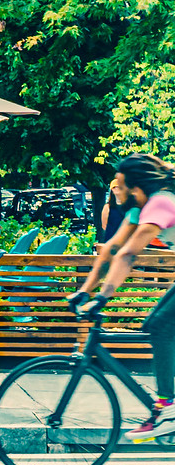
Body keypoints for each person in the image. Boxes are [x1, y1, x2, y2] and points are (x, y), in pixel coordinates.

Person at [70, 155, 175, 438]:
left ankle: (168, 405)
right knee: (155, 325)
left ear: (135, 187)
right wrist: (83, 291)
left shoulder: (161, 203)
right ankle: (166, 406)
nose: (114, 190)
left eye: (119, 185)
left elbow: (129, 254)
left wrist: (102, 297)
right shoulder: (137, 211)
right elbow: (111, 250)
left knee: (162, 326)